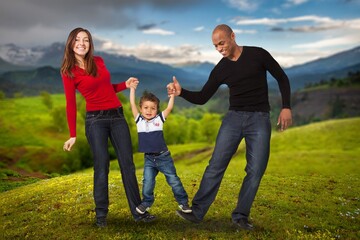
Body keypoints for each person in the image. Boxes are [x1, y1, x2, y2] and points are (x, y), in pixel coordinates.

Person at [167, 24, 292, 230]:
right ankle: (197, 212)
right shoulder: (221, 68)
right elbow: (202, 97)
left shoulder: (258, 54)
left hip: (259, 118)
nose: (219, 49)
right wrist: (181, 92)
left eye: (222, 43)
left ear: (232, 36)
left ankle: (240, 216)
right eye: (215, 46)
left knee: (256, 169)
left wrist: (286, 106)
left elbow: (281, 77)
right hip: (233, 119)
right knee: (216, 165)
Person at [61, 27, 155, 227]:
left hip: (117, 116)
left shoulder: (98, 61)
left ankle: (138, 212)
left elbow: (105, 88)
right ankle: (101, 215)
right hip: (95, 121)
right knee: (101, 166)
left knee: (127, 165)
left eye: (86, 40)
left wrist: (124, 85)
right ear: (70, 43)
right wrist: (72, 135)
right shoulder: (69, 72)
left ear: (90, 43)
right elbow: (70, 103)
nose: (82, 43)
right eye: (77, 39)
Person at [129, 86, 192, 215]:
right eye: (146, 108)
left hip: (164, 157)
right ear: (141, 109)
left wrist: (172, 96)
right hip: (149, 159)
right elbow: (132, 103)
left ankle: (183, 203)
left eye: (153, 108)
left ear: (157, 110)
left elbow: (169, 108)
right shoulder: (139, 120)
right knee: (147, 182)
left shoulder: (159, 120)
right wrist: (132, 89)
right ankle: (146, 203)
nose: (149, 110)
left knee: (173, 180)